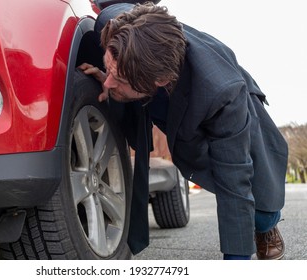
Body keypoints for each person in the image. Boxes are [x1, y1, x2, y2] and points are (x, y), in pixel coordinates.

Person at [78, 2, 288, 260]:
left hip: (224, 108)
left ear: (160, 82)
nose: (108, 82)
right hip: (162, 91)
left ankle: (268, 226)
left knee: (260, 206)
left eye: (118, 80)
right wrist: (109, 77)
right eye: (109, 69)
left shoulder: (223, 94)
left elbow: (234, 183)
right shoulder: (111, 23)